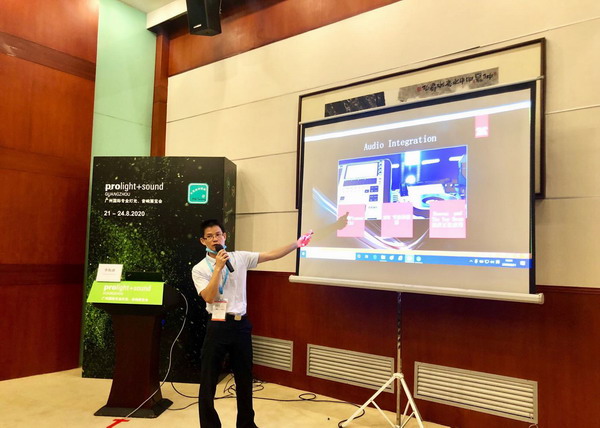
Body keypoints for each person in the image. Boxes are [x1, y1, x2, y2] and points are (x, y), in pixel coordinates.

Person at [192, 219, 312, 428]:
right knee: (209, 379)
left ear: (225, 237)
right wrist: (218, 268)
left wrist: (297, 244)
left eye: (218, 234)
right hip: (218, 325)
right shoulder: (199, 269)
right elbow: (209, 297)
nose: (215, 239)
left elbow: (270, 254)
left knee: (245, 379)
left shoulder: (240, 258)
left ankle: (246, 424)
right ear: (203, 241)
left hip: (240, 325)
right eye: (209, 236)